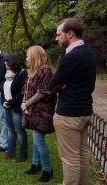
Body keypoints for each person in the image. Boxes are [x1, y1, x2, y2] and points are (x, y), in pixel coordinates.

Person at [49, 17, 96, 185]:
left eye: (58, 34)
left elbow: (52, 85)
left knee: (70, 159)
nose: (56, 38)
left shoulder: (72, 56)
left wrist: (61, 86)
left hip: (69, 115)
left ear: (70, 34)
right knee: (81, 155)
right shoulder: (88, 53)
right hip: (84, 111)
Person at [21, 46, 56, 182]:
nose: (26, 58)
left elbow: (42, 92)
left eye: (28, 55)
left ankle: (48, 169)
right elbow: (26, 90)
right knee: (36, 140)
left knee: (39, 141)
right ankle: (35, 165)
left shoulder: (45, 70)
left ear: (35, 56)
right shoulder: (32, 72)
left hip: (41, 112)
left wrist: (26, 104)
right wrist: (24, 104)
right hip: (32, 110)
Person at [1, 52, 28, 163]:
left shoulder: (22, 74)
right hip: (7, 106)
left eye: (6, 61)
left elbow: (21, 93)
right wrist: (3, 101)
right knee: (10, 129)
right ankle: (10, 151)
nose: (4, 63)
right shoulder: (7, 74)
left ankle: (23, 153)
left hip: (16, 107)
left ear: (12, 62)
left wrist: (10, 102)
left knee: (19, 130)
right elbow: (3, 89)